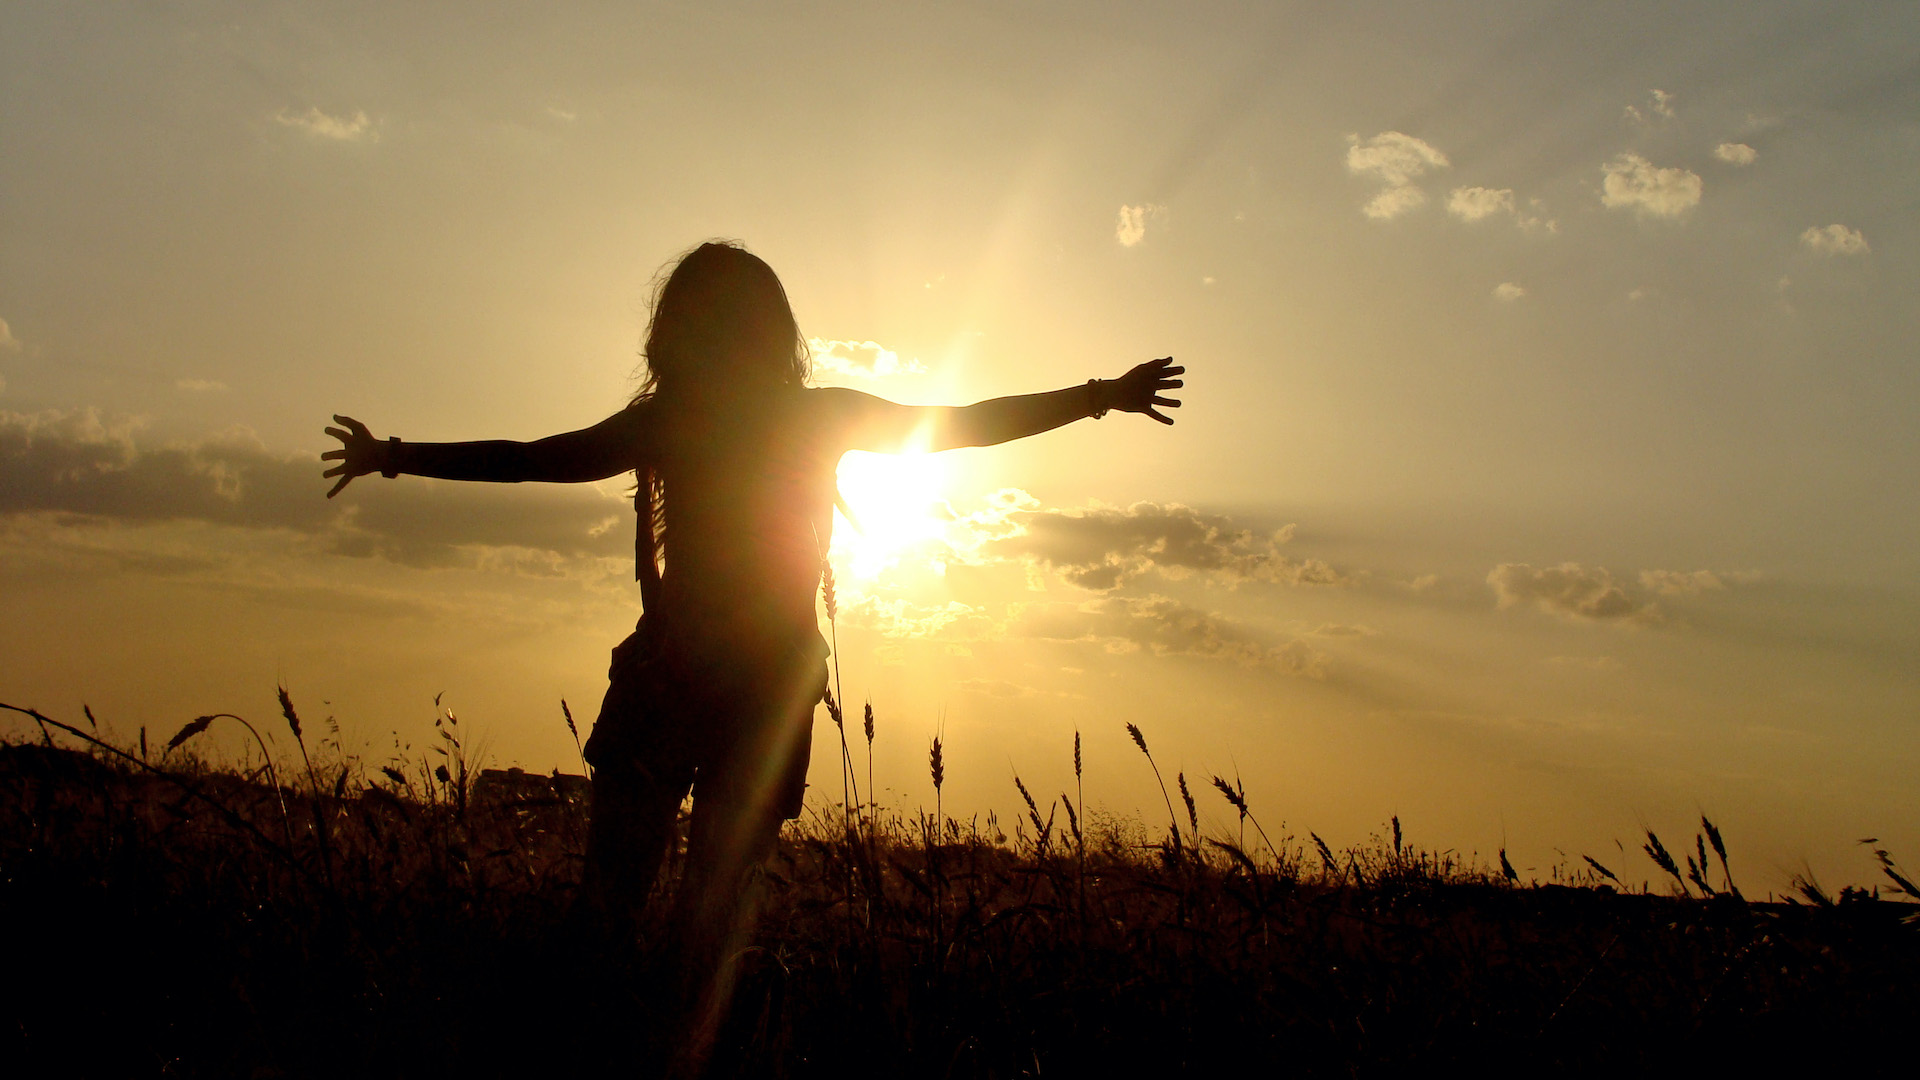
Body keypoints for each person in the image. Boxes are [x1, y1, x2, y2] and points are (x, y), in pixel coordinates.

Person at [321, 239, 1182, 1062]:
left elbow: (532, 461)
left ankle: (590, 1049)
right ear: (775, 330)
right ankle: (647, 1052)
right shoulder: (798, 417)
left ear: (675, 328)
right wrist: (1101, 393)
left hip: (676, 680)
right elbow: (964, 423)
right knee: (700, 928)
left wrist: (393, 455)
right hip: (755, 695)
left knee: (614, 915)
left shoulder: (672, 422)